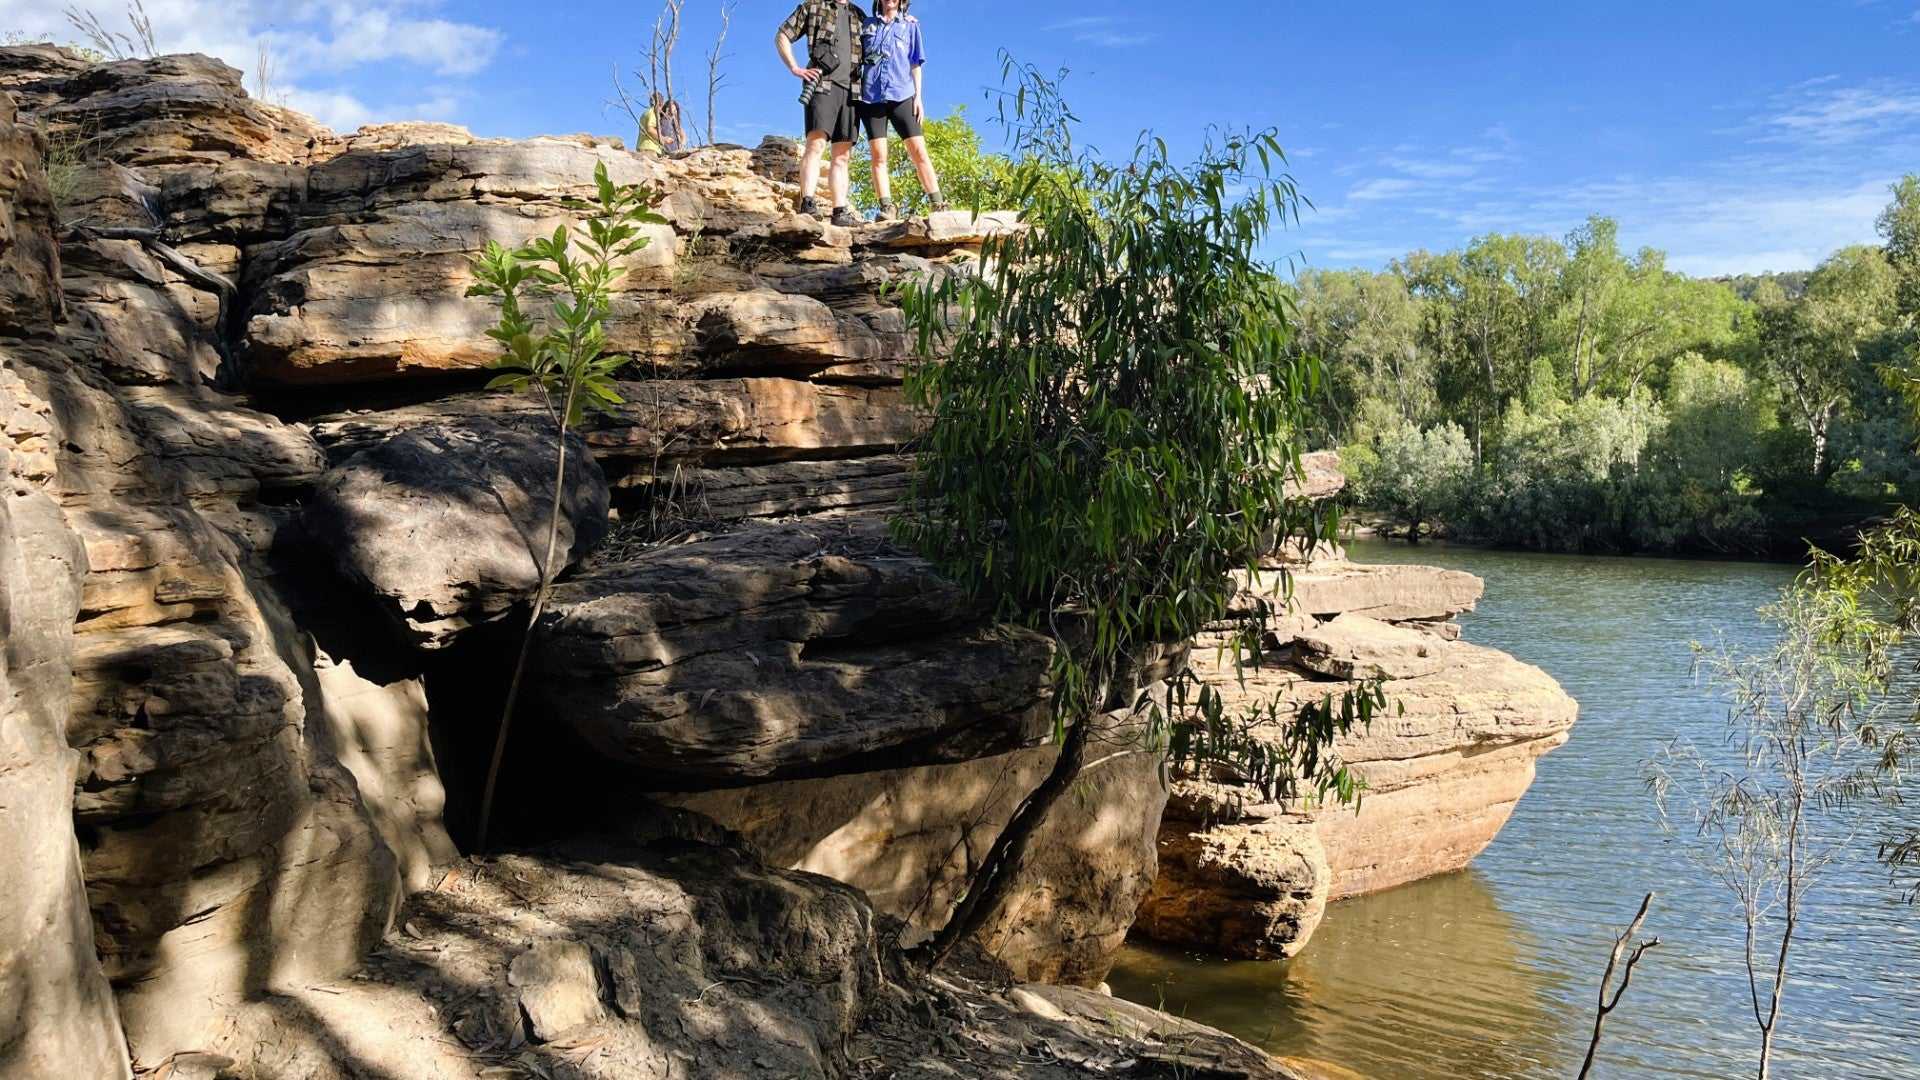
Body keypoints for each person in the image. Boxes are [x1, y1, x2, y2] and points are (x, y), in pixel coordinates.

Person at [775, 0, 869, 226]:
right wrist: (795, 68)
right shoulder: (813, 6)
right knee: (816, 143)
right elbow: (782, 35)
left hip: (853, 90)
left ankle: (840, 212)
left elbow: (884, 36)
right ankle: (807, 202)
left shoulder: (860, 15)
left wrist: (904, 17)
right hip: (822, 85)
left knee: (843, 154)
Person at [857, 0, 945, 220]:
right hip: (871, 97)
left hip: (902, 95)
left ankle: (938, 203)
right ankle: (887, 207)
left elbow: (915, 64)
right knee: (878, 155)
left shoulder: (910, 26)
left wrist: (919, 97)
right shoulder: (866, 25)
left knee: (918, 151)